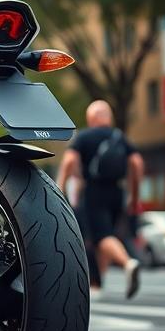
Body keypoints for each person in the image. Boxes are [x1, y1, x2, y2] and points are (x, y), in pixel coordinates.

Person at [56, 100, 144, 299]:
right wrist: (135, 195)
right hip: (117, 192)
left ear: (91, 117)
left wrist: (60, 188)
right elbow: (137, 164)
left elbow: (69, 161)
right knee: (104, 236)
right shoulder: (119, 137)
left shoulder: (85, 137)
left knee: (102, 237)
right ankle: (98, 283)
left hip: (95, 190)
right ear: (108, 117)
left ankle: (127, 263)